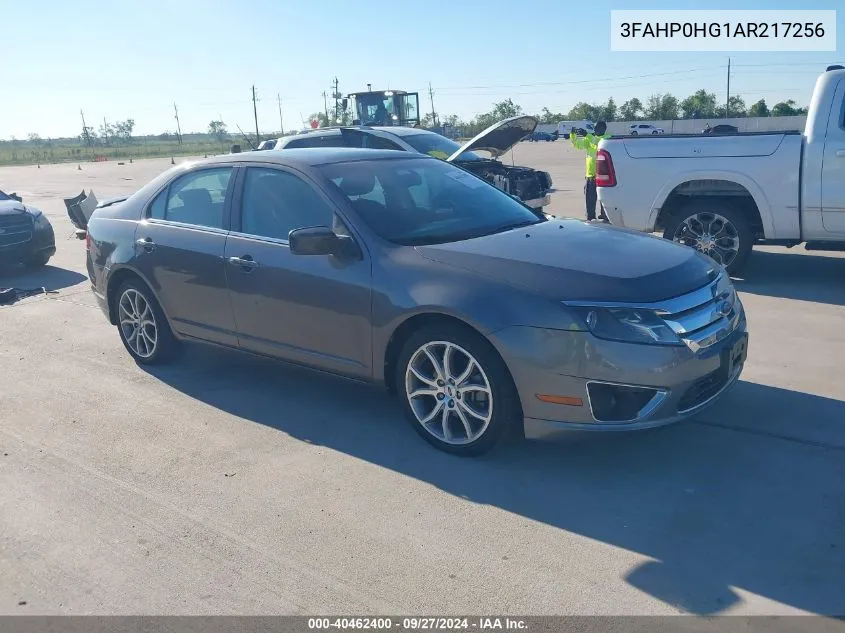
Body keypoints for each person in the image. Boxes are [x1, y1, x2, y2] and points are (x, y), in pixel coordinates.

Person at [570, 121, 612, 222]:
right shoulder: (591, 138)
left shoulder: (608, 138)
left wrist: (587, 135)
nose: (595, 130)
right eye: (594, 128)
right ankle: (591, 217)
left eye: (597, 128)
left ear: (603, 129)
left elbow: (599, 142)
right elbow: (578, 145)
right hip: (590, 175)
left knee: (605, 199)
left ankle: (605, 216)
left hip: (603, 175)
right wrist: (573, 135)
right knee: (590, 199)